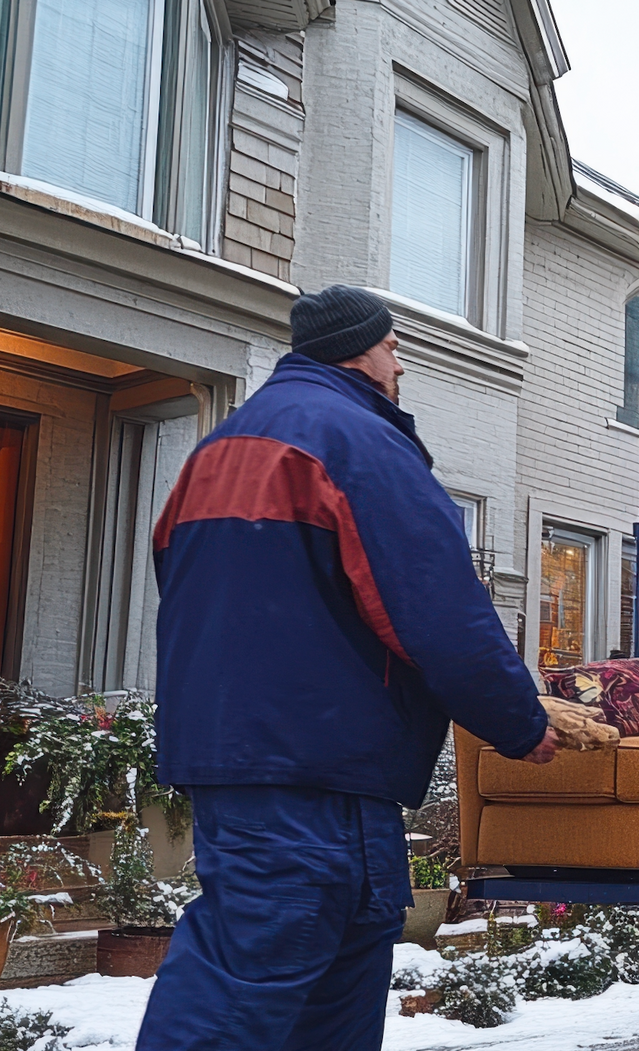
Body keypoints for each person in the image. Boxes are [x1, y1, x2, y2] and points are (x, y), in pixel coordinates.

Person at [139, 285, 559, 1051]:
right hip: (320, 774)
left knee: (326, 983)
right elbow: (437, 608)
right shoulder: (356, 442)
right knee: (252, 991)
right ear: (358, 350)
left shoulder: (213, 452)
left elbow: (189, 590)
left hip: (247, 765)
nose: (402, 362)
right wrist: (521, 720)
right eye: (394, 345)